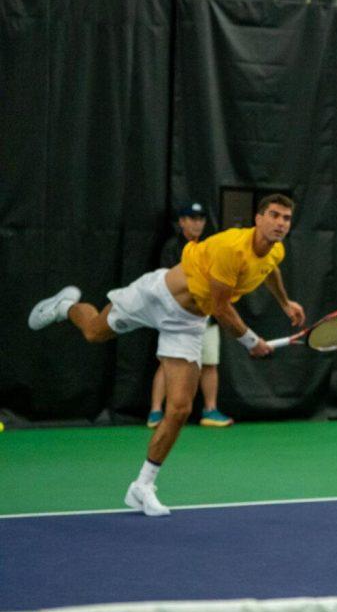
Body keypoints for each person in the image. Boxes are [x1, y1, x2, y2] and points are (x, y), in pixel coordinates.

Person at [27, 194, 304, 517]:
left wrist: (285, 303)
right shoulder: (231, 247)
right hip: (156, 296)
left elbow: (270, 269)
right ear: (258, 218)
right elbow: (220, 306)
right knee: (94, 332)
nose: (280, 223)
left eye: (286, 218)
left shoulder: (276, 250)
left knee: (181, 408)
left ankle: (142, 485)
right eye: (274, 215)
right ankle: (65, 307)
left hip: (187, 322)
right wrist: (250, 341)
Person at [147, 203, 233, 429]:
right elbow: (166, 282)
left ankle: (210, 411)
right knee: (169, 362)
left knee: (210, 363)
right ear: (182, 222)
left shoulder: (209, 247)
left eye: (201, 219)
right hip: (177, 317)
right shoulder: (171, 248)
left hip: (207, 316)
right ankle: (156, 413)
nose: (197, 223)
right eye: (192, 218)